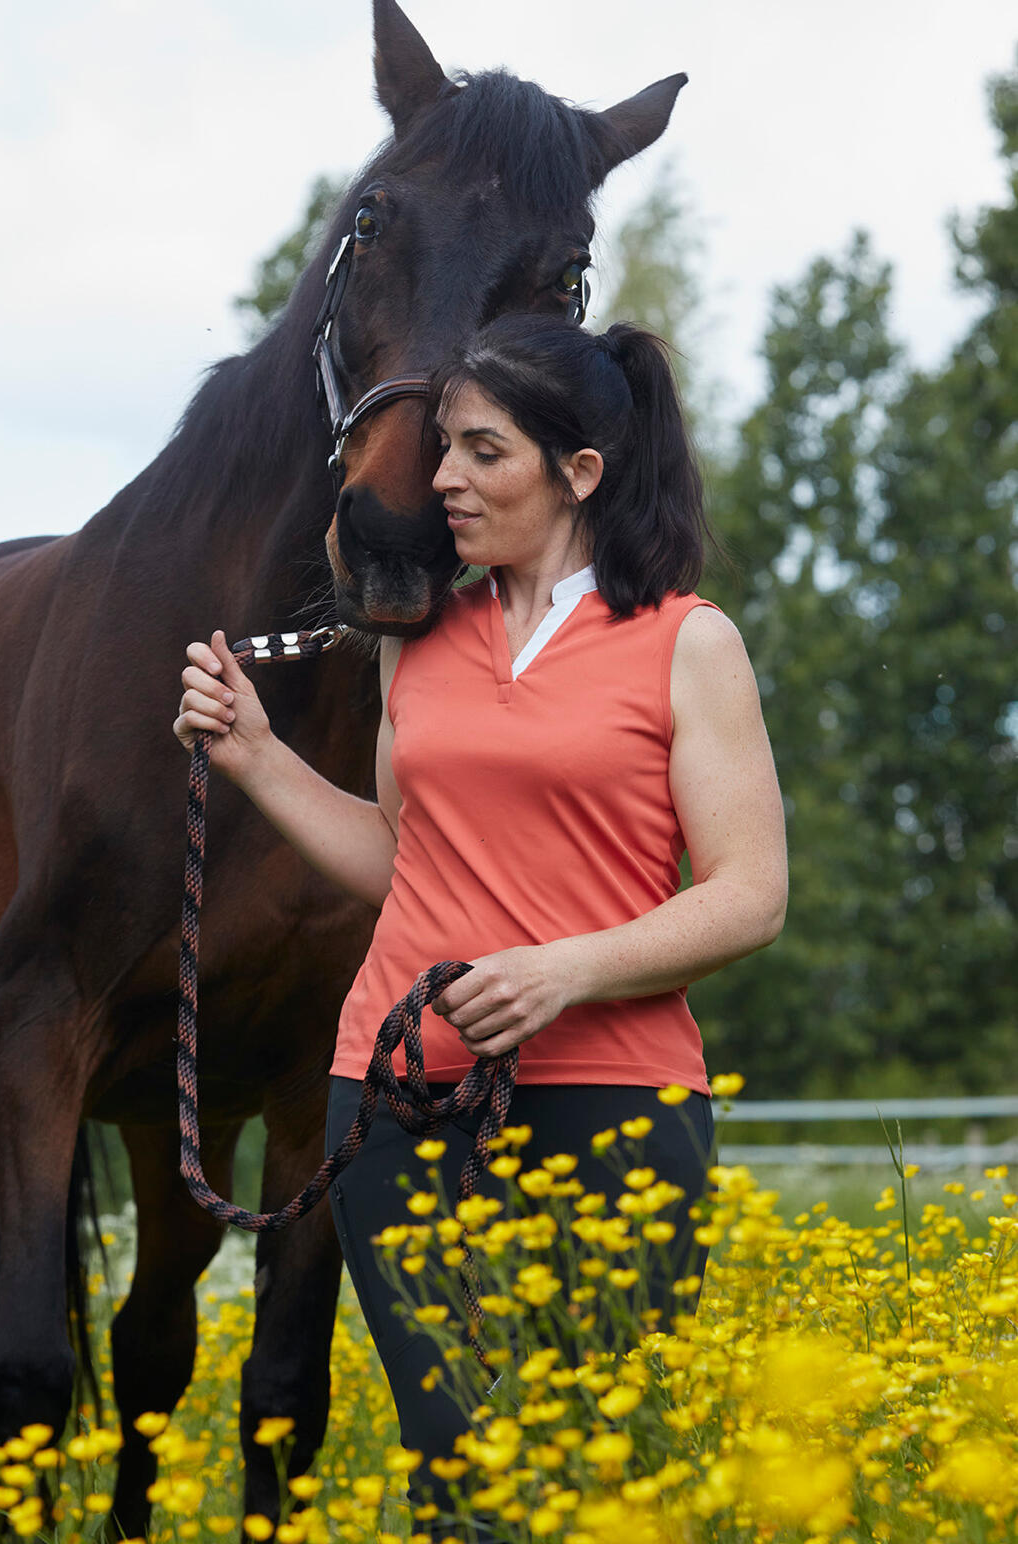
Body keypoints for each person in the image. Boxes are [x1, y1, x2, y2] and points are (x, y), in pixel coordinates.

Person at [173, 313, 788, 1517]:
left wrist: (564, 971)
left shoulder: (685, 642)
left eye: (481, 451)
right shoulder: (418, 643)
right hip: (398, 1094)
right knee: (456, 1465)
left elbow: (749, 892)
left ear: (579, 473)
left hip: (614, 1102)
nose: (441, 477)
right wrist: (252, 753)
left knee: (602, 1470)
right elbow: (408, 856)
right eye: (446, 447)